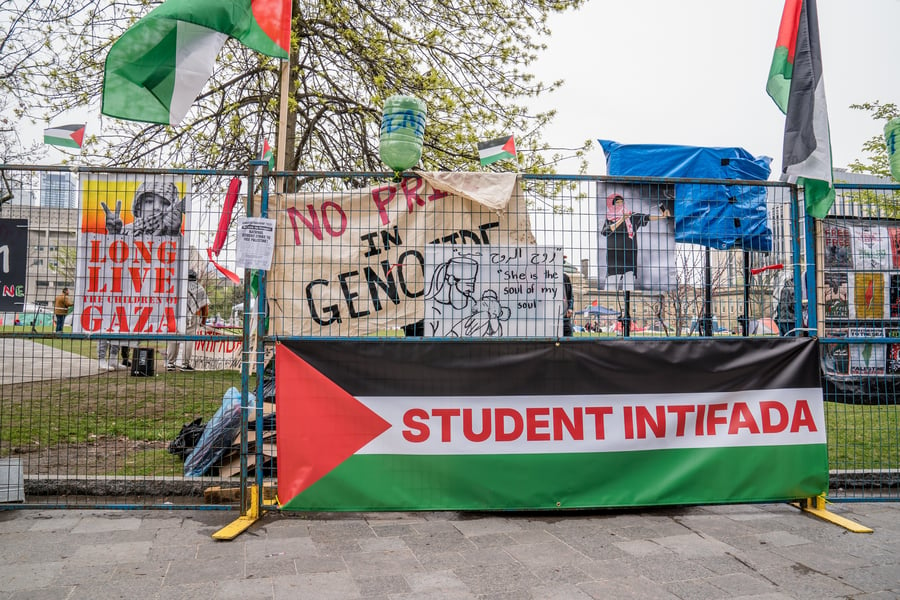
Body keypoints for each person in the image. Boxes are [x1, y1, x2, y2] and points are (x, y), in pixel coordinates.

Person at [601, 192, 671, 291]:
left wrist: (662, 216)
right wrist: (621, 219)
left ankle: (628, 306)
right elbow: (605, 231)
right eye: (617, 203)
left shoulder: (631, 216)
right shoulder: (609, 219)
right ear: (612, 204)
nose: (620, 205)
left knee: (629, 288)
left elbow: (646, 217)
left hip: (629, 257)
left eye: (621, 202)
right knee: (611, 287)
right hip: (615, 258)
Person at [103, 180, 184, 236]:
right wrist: (113, 235)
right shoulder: (125, 232)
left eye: (164, 202)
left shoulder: (175, 235)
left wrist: (174, 233)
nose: (156, 207)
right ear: (138, 208)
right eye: (149, 201)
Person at [167, 269, 209, 372]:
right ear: (196, 277)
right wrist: (203, 320)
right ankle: (185, 365)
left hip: (177, 315)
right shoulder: (200, 289)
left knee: (174, 337)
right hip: (194, 315)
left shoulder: (179, 287)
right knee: (189, 339)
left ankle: (170, 363)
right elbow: (205, 307)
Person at [562, 271, 574, 337]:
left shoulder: (565, 277)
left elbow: (570, 295)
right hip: (549, 316)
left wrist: (570, 308)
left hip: (564, 315)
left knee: (568, 336)